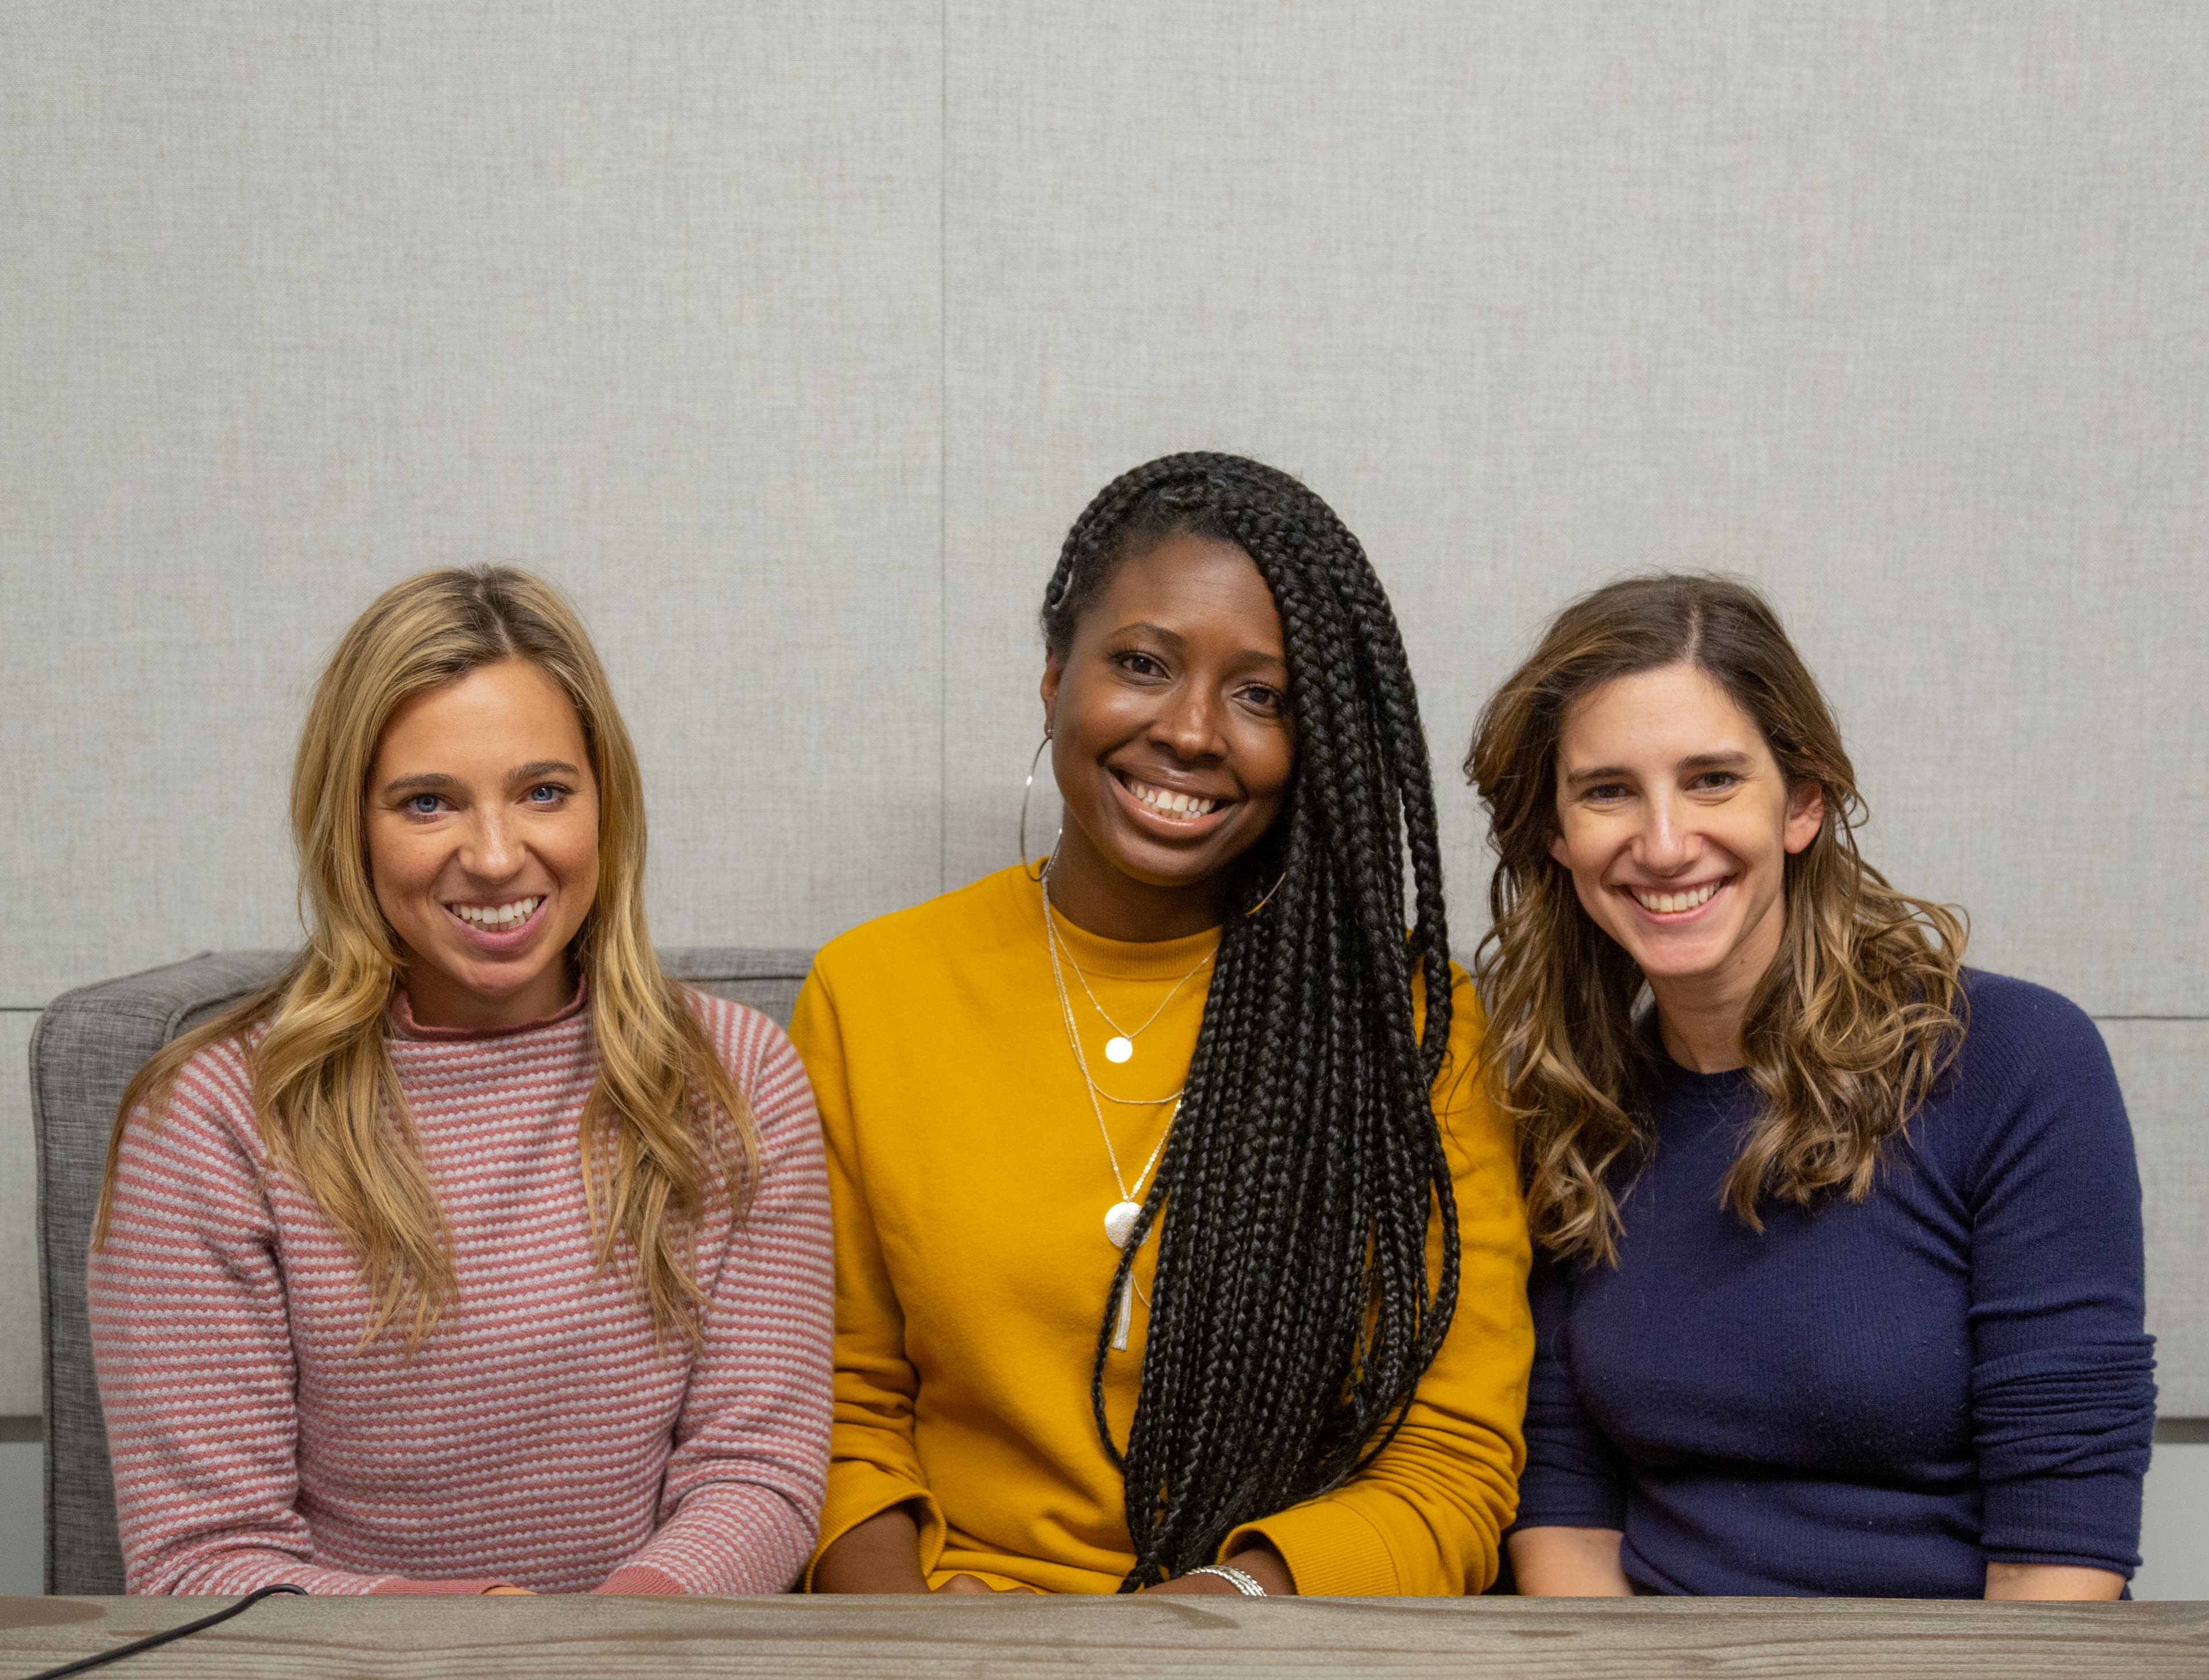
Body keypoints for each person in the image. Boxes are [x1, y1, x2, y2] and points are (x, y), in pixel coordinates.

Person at [796, 452, 1532, 1598]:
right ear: (1054, 674)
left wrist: (1217, 1619)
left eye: (1263, 695)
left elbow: (1452, 1461)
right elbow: (844, 1409)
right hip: (947, 1637)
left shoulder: (1414, 1023)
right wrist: (910, 1655)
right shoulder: (871, 991)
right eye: (1142, 663)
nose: (1192, 730)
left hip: (1270, 1644)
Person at [89, 566, 832, 1595]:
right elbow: (202, 1557)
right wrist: (482, 1637)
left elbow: (760, 1476)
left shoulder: (737, 1075)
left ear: (605, 806)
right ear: (351, 826)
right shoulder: (212, 1119)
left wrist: (607, 1647)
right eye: (428, 802)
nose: (494, 855)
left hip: (655, 1661)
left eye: (542, 792)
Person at [1466, 573, 2155, 1599]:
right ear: (1559, 838)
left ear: (1802, 805)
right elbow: (1565, 1515)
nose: (1662, 843)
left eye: (1712, 781)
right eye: (1608, 790)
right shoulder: (1569, 1104)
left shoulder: (2014, 1061)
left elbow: (2062, 1550)